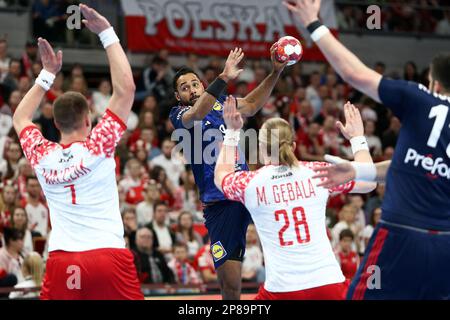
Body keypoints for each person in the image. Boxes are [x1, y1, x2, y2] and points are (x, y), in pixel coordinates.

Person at [286, 0, 450, 299]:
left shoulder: (420, 99)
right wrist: (360, 169)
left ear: (434, 84)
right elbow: (418, 163)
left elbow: (354, 74)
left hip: (401, 232)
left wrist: (313, 24)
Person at [12, 4, 143, 300]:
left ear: (55, 123)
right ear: (88, 120)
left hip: (62, 259)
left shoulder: (42, 155)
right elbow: (126, 90)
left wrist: (46, 75)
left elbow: (20, 118)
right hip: (107, 256)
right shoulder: (99, 144)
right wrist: (107, 33)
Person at [214, 97, 376, 300]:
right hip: (328, 284)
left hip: (281, 289)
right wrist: (357, 138)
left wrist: (231, 132)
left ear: (262, 148)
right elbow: (370, 181)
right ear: (293, 145)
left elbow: (221, 178)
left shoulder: (250, 184)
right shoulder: (318, 172)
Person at [169, 44, 287, 300]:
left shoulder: (222, 102)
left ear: (202, 84)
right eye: (184, 87)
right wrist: (223, 77)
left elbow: (253, 105)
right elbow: (198, 112)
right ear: (178, 96)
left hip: (246, 190)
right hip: (219, 203)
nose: (191, 89)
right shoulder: (179, 114)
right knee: (230, 285)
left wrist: (275, 72)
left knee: (286, 253)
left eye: (194, 84)